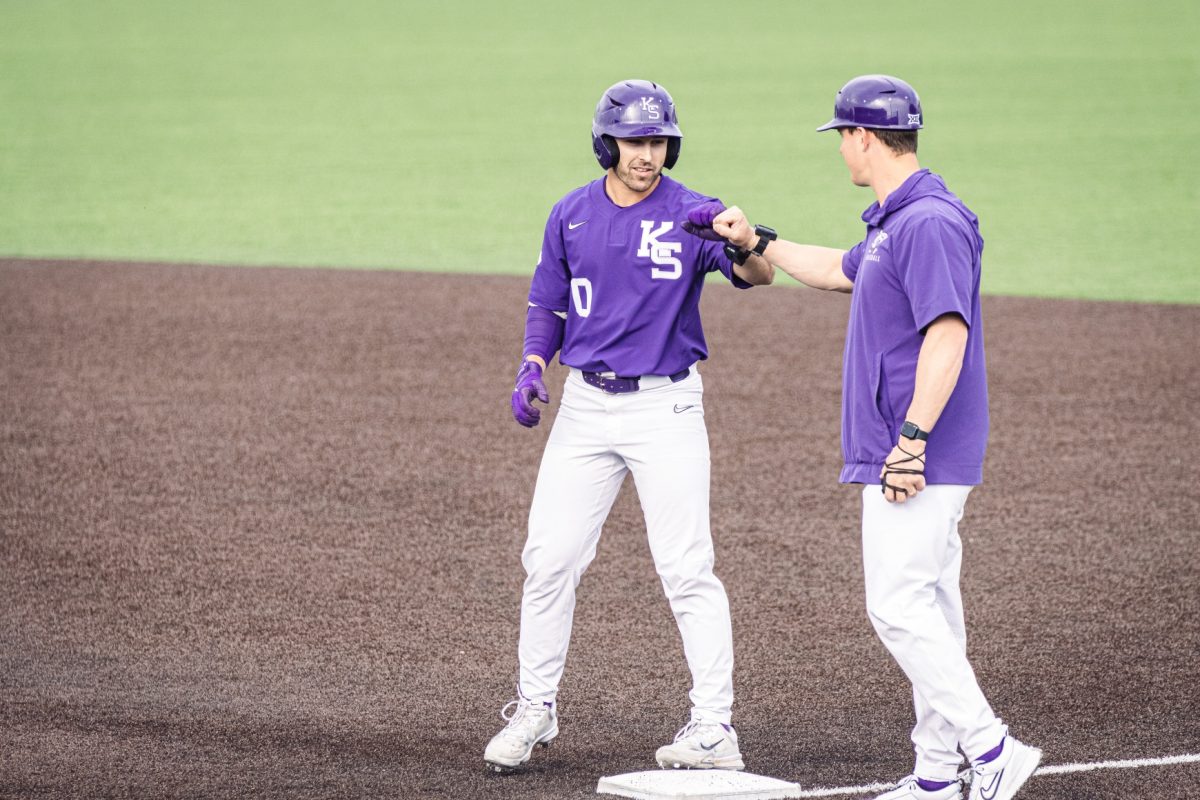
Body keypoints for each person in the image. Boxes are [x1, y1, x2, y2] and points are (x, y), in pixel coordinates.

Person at [684, 75, 1041, 800]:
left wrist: (910, 440)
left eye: (843, 134)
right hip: (914, 446)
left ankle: (993, 747)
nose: (841, 147)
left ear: (865, 137)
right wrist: (757, 241)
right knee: (931, 607)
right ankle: (939, 776)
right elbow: (837, 271)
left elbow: (947, 336)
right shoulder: (893, 223)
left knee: (898, 607)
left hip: (919, 451)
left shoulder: (930, 223)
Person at [483, 79, 774, 774]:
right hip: (584, 408)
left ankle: (713, 727)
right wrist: (532, 365)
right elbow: (547, 303)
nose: (647, 154)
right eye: (635, 141)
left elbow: (757, 274)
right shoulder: (571, 214)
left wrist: (745, 239)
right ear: (605, 142)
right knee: (549, 559)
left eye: (657, 141)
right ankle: (535, 707)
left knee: (686, 567)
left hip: (664, 408)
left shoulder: (693, 212)